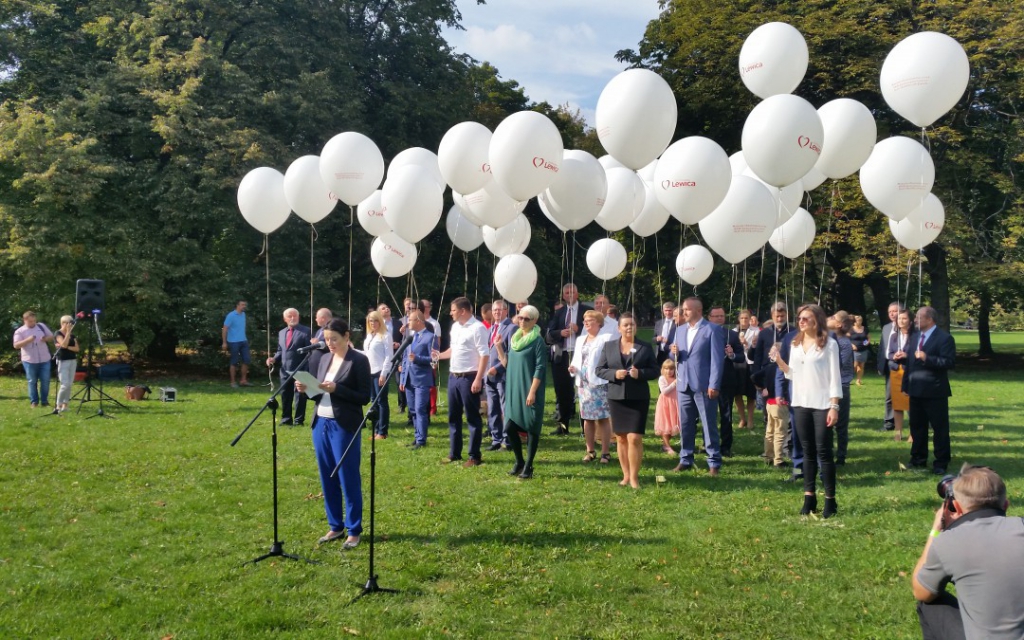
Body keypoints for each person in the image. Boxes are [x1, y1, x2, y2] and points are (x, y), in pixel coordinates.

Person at [912, 464, 1024, 640]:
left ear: (955, 506)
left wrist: (936, 530)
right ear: (1006, 505)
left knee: (930, 604)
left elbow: (921, 591)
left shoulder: (948, 542)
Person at [294, 318, 371, 550]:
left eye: (334, 339)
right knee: (327, 476)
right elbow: (320, 394)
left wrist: (338, 389)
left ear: (347, 336)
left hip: (344, 424)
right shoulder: (323, 358)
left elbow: (364, 397)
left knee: (348, 477)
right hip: (321, 423)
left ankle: (354, 530)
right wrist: (308, 389)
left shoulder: (359, 360)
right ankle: (335, 525)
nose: (330, 344)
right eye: (327, 339)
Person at [772, 303, 842, 518]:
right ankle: (809, 497)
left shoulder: (829, 344)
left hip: (822, 405)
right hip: (800, 403)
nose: (800, 321)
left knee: (824, 452)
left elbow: (835, 377)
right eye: (800, 318)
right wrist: (779, 361)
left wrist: (834, 406)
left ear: (816, 321)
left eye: (806, 318)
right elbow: (793, 374)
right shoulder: (795, 343)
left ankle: (830, 500)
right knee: (807, 452)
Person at [595, 312, 659, 489]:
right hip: (616, 397)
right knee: (622, 438)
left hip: (638, 397)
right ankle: (625, 475)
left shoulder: (644, 347)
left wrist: (641, 374)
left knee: (634, 438)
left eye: (632, 324)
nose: (629, 327)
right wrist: (614, 374)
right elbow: (599, 370)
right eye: (626, 325)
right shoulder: (609, 347)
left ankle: (635, 478)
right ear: (619, 328)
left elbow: (655, 370)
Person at [670, 297, 725, 476]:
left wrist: (714, 384)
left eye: (686, 309)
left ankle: (714, 462)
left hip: (703, 385)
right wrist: (673, 354)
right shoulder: (679, 330)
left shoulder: (712, 330)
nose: (683, 312)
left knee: (708, 424)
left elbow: (717, 361)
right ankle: (685, 458)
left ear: (698, 311)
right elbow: (675, 358)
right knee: (685, 424)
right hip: (683, 384)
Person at [433, 297, 489, 467]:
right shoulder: (455, 327)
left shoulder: (478, 328)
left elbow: (484, 355)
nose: (451, 313)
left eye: (453, 310)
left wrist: (478, 379)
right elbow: (454, 349)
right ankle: (454, 453)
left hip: (469, 377)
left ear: (463, 311)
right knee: (453, 416)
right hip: (453, 377)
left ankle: (474, 456)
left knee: (472, 417)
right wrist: (439, 355)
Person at [494, 305, 547, 479]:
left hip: (530, 389)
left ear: (534, 321)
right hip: (514, 388)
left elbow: (540, 368)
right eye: (520, 317)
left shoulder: (537, 341)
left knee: (532, 427)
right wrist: (499, 347)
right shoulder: (516, 339)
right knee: (509, 427)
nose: (522, 321)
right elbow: (507, 363)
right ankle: (519, 461)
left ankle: (529, 467)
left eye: (527, 319)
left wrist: (532, 392)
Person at [904, 306, 956, 475]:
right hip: (916, 390)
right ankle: (918, 458)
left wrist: (928, 358)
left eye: (919, 317)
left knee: (939, 428)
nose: (915, 320)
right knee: (917, 426)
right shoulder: (915, 337)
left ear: (930, 319)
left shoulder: (944, 338)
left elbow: (948, 362)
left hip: (934, 391)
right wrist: (905, 384)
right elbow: (911, 364)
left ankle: (941, 462)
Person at [752, 302, 802, 480]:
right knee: (771, 419)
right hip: (767, 377)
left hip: (787, 374)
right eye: (776, 316)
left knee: (786, 418)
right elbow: (757, 356)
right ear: (772, 316)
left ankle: (787, 449)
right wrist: (758, 381)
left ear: (787, 315)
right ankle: (771, 452)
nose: (779, 319)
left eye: (782, 316)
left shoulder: (793, 332)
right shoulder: (764, 333)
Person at [545, 283, 592, 436]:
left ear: (577, 294)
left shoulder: (586, 311)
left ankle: (587, 427)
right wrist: (561, 333)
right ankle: (563, 426)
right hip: (562, 356)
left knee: (584, 391)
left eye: (572, 292)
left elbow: (595, 329)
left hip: (582, 355)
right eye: (566, 293)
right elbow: (549, 334)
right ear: (563, 296)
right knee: (563, 392)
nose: (569, 295)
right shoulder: (559, 312)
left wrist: (579, 329)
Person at [568, 310, 614, 464]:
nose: (586, 323)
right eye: (585, 321)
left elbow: (610, 360)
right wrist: (573, 368)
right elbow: (577, 359)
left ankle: (605, 453)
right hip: (583, 384)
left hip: (599, 383)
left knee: (602, 418)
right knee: (587, 418)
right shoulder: (581, 339)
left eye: (590, 320)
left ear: (599, 323)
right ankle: (590, 450)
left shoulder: (606, 338)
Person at [265, 308, 312, 425]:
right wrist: (274, 359)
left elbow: (310, 352)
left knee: (300, 395)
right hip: (284, 370)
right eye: (289, 316)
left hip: (300, 369)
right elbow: (280, 350)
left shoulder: (306, 331)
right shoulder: (282, 333)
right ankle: (286, 419)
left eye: (295, 316)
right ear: (285, 319)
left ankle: (298, 420)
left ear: (298, 317)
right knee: (285, 395)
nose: (292, 318)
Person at [709, 306, 744, 458]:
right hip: (707, 380)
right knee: (708, 415)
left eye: (721, 316)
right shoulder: (704, 333)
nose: (719, 318)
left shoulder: (732, 335)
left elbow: (741, 357)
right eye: (715, 316)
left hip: (726, 380)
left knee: (726, 415)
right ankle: (708, 444)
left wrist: (732, 355)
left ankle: (726, 446)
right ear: (709, 317)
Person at [399, 311, 436, 449]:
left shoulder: (430, 337)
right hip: (409, 379)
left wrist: (418, 359)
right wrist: (402, 380)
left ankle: (421, 440)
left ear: (419, 321)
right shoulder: (410, 337)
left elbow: (434, 359)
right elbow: (404, 358)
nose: (408, 323)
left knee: (420, 409)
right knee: (413, 409)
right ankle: (417, 436)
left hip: (422, 379)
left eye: (411, 320)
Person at [484, 299, 516, 451]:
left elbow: (511, 353)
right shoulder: (492, 328)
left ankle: (507, 440)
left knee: (505, 408)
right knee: (492, 408)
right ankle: (496, 439)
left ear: (506, 311)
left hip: (502, 375)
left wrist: (497, 368)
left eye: (499, 310)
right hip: (488, 375)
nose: (496, 312)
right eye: (494, 310)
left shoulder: (512, 328)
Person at [362, 310, 394, 440]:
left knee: (381, 401)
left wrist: (384, 373)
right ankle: (376, 430)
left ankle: (382, 431)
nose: (373, 323)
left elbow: (389, 356)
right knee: (373, 401)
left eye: (375, 320)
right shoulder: (370, 335)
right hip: (369, 371)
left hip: (380, 371)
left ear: (380, 321)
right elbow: (367, 353)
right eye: (370, 321)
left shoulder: (385, 335)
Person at [13, 310, 54, 407]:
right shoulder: (20, 331)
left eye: (34, 321)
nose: (33, 323)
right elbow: (16, 345)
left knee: (45, 381)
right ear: (25, 320)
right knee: (32, 381)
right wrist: (27, 340)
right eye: (30, 321)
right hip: (30, 360)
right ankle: (34, 401)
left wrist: (45, 339)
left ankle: (45, 401)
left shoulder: (41, 326)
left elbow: (51, 336)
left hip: (44, 359)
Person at [830, 311, 855, 465]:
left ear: (839, 324)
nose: (829, 318)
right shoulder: (826, 339)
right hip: (827, 386)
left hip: (841, 386)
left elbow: (838, 365)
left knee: (841, 424)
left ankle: (841, 456)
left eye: (833, 318)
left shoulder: (844, 343)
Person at [886, 309, 915, 443]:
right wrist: (894, 356)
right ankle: (898, 433)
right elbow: (888, 353)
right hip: (895, 371)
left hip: (909, 372)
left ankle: (913, 433)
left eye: (904, 318)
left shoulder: (916, 335)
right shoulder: (894, 336)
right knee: (897, 404)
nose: (901, 321)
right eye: (899, 319)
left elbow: (918, 353)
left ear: (910, 320)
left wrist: (906, 356)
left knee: (911, 404)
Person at [877, 301, 903, 432]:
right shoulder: (886, 327)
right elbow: (883, 347)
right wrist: (880, 365)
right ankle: (889, 422)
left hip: (904, 366)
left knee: (908, 396)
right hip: (889, 366)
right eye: (890, 312)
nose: (892, 314)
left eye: (895, 311)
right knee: (889, 397)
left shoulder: (907, 327)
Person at [734, 308, 758, 429]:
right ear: (739, 319)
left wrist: (746, 344)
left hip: (750, 363)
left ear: (750, 319)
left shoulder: (756, 331)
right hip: (737, 364)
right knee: (737, 393)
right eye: (742, 318)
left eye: (746, 318)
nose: (744, 320)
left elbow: (756, 349)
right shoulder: (733, 331)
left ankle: (750, 419)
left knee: (750, 393)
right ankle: (742, 419)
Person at [53, 315, 80, 414]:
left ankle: (65, 404)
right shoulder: (58, 333)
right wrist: (67, 333)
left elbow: (76, 349)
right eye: (70, 323)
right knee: (64, 384)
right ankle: (58, 405)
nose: (72, 326)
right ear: (64, 323)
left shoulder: (72, 335)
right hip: (63, 361)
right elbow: (63, 344)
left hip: (72, 360)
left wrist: (67, 347)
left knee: (69, 384)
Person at [221, 300, 252, 388]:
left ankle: (243, 380)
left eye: (245, 305)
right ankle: (233, 382)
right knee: (234, 362)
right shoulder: (231, 315)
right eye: (242, 305)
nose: (244, 306)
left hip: (243, 341)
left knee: (246, 360)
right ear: (237, 305)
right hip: (233, 342)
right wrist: (224, 342)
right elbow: (225, 329)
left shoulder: (243, 315)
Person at [654, 360, 680, 455]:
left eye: (671, 369)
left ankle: (666, 443)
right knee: (665, 425)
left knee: (672, 425)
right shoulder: (662, 379)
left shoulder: (676, 378)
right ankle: (667, 446)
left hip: (674, 404)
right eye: (666, 369)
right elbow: (664, 391)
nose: (669, 371)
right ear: (663, 369)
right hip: (665, 404)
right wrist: (673, 384)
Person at [308, 307, 334, 377]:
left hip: (326, 363)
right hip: (315, 365)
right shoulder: (319, 331)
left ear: (323, 318)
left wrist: (319, 343)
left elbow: (334, 345)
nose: (315, 319)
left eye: (316, 317)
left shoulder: (334, 329)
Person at [653, 301, 677, 366]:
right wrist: (657, 339)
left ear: (673, 310)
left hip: (671, 352)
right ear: (663, 311)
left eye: (670, 310)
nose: (668, 313)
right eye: (666, 310)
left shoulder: (677, 323)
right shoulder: (658, 323)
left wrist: (668, 342)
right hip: (660, 352)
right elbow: (653, 339)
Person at [849, 314, 869, 386]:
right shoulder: (851, 329)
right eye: (858, 321)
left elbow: (868, 338)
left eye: (860, 320)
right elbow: (846, 339)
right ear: (854, 321)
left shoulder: (865, 329)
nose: (859, 322)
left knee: (861, 366)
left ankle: (858, 380)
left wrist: (867, 342)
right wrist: (852, 345)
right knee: (855, 365)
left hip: (863, 349)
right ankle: (849, 379)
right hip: (854, 350)